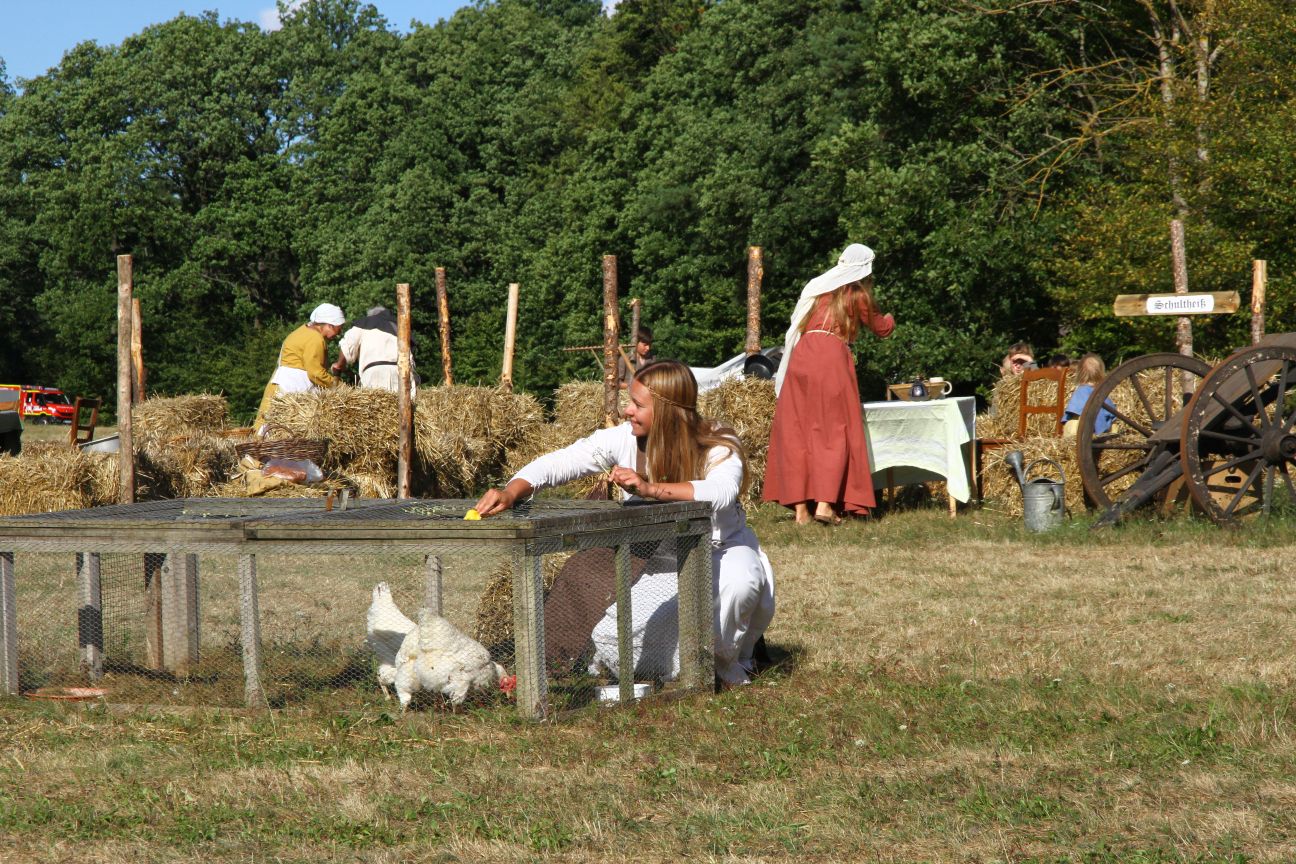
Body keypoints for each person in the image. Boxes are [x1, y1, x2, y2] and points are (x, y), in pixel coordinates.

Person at [473, 359, 775, 687]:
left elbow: (721, 492)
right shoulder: (624, 438)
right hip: (656, 560)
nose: (626, 411)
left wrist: (650, 489)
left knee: (739, 584)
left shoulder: (717, 442)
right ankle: (675, 667)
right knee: (609, 639)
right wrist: (511, 491)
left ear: (668, 410)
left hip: (720, 550)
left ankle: (721, 669)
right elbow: (562, 462)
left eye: (637, 405)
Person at [763, 243, 895, 526]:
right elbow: (882, 328)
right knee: (833, 431)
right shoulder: (857, 294)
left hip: (802, 355)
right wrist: (890, 319)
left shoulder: (818, 288)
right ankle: (824, 504)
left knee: (798, 431)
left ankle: (801, 511)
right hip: (830, 358)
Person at [253, 303, 345, 432]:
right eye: (338, 329)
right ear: (329, 325)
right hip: (290, 389)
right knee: (279, 431)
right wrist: (339, 386)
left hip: (279, 385)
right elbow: (316, 373)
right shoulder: (315, 339)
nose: (339, 334)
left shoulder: (301, 331)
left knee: (266, 429)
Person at [331, 306, 417, 394]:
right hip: (404, 374)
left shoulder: (364, 324)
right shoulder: (400, 328)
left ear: (370, 316)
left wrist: (339, 365)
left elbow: (347, 346)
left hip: (375, 375)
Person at [1061, 352, 1115, 437]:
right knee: (1113, 427)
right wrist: (1101, 431)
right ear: (1101, 373)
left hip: (1073, 430)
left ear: (1080, 373)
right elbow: (1103, 415)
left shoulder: (1079, 391)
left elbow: (1070, 414)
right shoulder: (1099, 393)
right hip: (1085, 430)